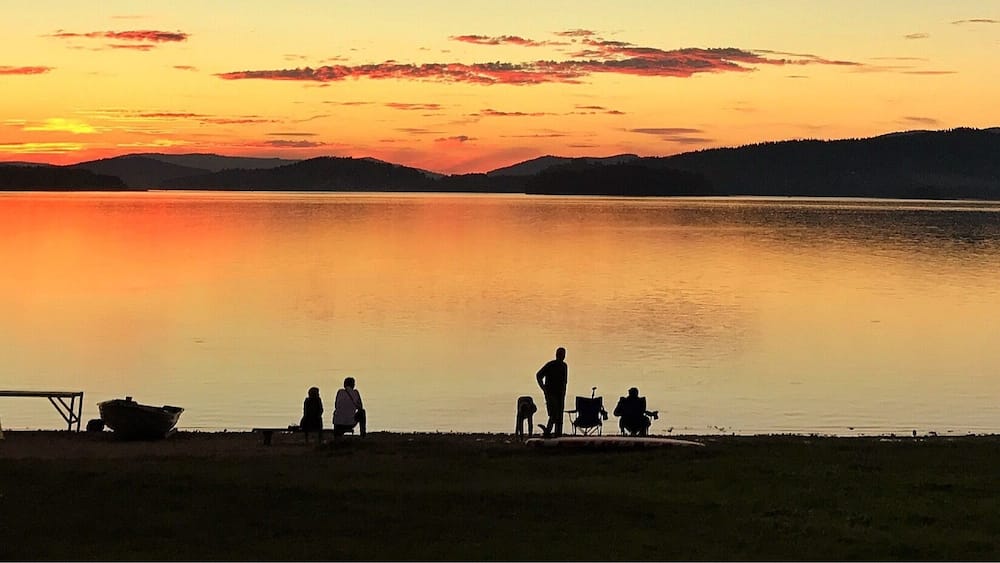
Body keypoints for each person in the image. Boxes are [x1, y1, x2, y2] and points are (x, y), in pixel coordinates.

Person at [535, 347, 568, 438]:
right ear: (557, 355)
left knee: (559, 417)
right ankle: (547, 432)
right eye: (561, 354)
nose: (562, 356)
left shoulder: (564, 366)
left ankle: (558, 435)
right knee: (554, 414)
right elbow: (538, 375)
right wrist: (543, 388)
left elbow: (565, 381)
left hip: (560, 394)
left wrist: (564, 393)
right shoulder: (550, 365)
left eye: (563, 354)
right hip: (551, 394)